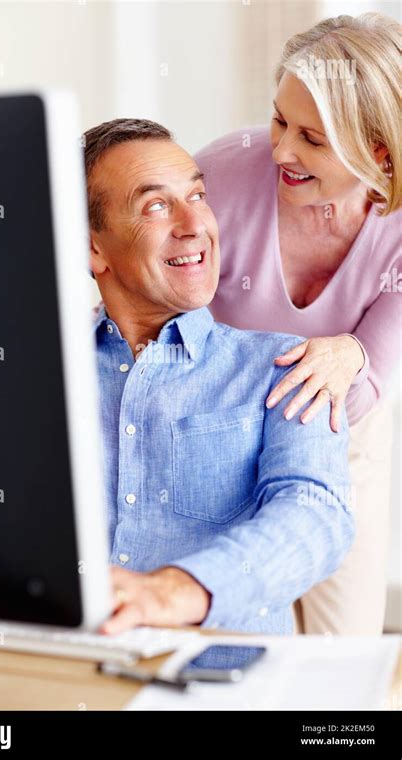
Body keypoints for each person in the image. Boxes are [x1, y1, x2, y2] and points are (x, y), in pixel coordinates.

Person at [81, 118, 354, 636]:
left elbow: (316, 514)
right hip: (62, 673)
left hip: (221, 680)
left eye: (198, 195)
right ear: (95, 248)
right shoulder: (41, 376)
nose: (195, 224)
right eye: (156, 205)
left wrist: (178, 590)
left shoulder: (283, 367)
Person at [194, 12, 401, 635]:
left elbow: (368, 378)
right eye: (280, 119)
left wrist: (355, 356)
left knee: (343, 644)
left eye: (312, 138)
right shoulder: (224, 177)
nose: (281, 149)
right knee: (244, 630)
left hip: (344, 430)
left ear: (380, 155)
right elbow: (164, 317)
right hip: (220, 422)